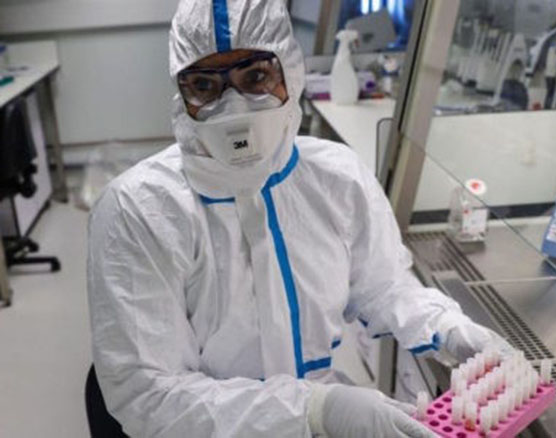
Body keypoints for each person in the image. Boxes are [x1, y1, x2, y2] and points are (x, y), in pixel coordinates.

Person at [87, 0, 513, 436]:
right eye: (204, 85)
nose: (233, 107)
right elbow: (149, 394)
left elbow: (383, 285)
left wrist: (447, 327)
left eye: (255, 77)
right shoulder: (139, 210)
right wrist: (316, 411)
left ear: (289, 70)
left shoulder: (336, 177)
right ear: (182, 94)